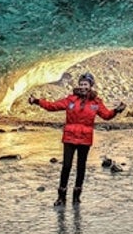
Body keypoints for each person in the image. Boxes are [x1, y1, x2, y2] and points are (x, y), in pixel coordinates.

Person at [28, 72, 126, 206]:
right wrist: (37, 101)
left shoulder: (96, 103)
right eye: (81, 84)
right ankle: (61, 197)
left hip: (85, 139)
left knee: (81, 167)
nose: (83, 87)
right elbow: (53, 106)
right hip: (69, 137)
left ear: (91, 86)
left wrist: (117, 110)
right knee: (66, 166)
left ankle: (76, 197)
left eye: (85, 84)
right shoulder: (70, 100)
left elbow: (106, 115)